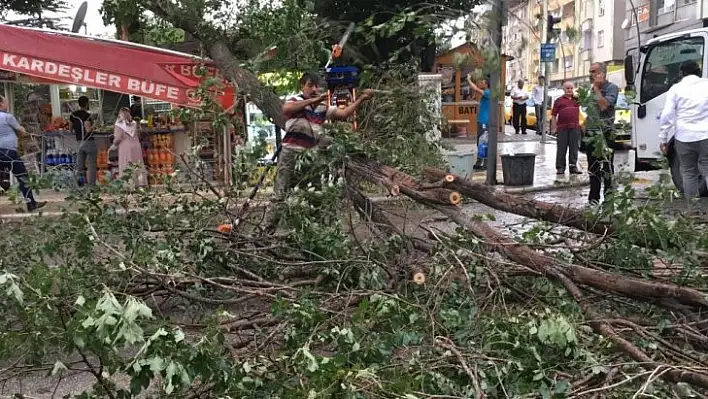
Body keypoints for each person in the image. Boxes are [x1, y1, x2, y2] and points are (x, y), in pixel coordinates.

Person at [264, 72, 373, 233]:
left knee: (314, 194)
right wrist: (313, 100)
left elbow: (343, 114)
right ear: (302, 86)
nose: (314, 89)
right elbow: (286, 109)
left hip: (310, 157)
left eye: (316, 86)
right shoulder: (296, 100)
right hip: (290, 153)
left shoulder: (323, 107)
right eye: (310, 85)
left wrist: (361, 99)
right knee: (281, 193)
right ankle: (267, 230)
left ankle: (314, 230)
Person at [658, 60, 708, 207]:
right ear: (698, 71)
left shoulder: (676, 89)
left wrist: (663, 138)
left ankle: (693, 210)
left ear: (681, 73)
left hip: (684, 138)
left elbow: (667, 115)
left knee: (688, 172)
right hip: (706, 135)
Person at [0, 95, 46, 211]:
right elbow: (21, 131)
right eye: (6, 102)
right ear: (1, 104)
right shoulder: (7, 117)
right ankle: (31, 203)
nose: (7, 104)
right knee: (22, 176)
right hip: (9, 151)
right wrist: (23, 130)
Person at [585, 62, 619, 205]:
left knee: (606, 165)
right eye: (590, 71)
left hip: (606, 132)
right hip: (591, 132)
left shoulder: (612, 88)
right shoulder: (590, 89)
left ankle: (609, 197)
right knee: (593, 167)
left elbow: (604, 106)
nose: (591, 74)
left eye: (594, 71)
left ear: (602, 73)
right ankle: (594, 198)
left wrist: (597, 89)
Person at [109, 107, 147, 188]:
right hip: (136, 146)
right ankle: (140, 183)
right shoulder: (134, 123)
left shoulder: (119, 124)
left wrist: (114, 144)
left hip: (125, 147)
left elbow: (118, 138)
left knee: (126, 165)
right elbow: (139, 134)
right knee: (138, 164)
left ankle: (129, 184)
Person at [551, 81, 582, 175]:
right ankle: (560, 168)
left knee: (574, 148)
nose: (569, 90)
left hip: (575, 127)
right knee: (561, 148)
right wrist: (554, 128)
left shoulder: (577, 100)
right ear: (563, 89)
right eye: (567, 88)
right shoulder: (558, 100)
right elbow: (553, 115)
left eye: (571, 88)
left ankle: (573, 167)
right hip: (562, 128)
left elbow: (586, 104)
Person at [70, 95, 97, 186]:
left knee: (80, 165)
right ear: (86, 104)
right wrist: (94, 127)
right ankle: (92, 185)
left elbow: (70, 128)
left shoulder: (73, 115)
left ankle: (80, 184)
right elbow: (88, 129)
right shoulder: (86, 115)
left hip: (79, 142)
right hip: (88, 141)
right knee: (91, 165)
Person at [467, 74, 490, 170]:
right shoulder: (487, 92)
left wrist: (469, 80)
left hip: (484, 121)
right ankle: (481, 162)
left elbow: (476, 89)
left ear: (487, 84)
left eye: (482, 82)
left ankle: (483, 163)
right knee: (481, 142)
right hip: (482, 120)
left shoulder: (488, 92)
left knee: (482, 142)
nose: (481, 83)